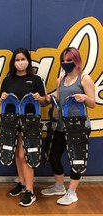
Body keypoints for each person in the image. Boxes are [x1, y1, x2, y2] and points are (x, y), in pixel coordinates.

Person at [41, 47, 95, 205]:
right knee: (53, 156)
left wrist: (84, 97)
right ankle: (59, 186)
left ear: (76, 61)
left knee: (76, 160)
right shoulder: (60, 80)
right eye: (63, 61)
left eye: (69, 60)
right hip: (61, 125)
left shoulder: (84, 78)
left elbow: (92, 103)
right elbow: (60, 100)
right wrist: (51, 99)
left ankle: (72, 192)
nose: (66, 63)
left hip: (78, 125)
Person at [0, 48, 48, 207]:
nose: (20, 62)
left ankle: (30, 191)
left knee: (26, 156)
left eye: (23, 59)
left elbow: (45, 101)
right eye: (17, 60)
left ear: (28, 60)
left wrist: (40, 98)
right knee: (17, 155)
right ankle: (22, 183)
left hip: (30, 122)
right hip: (11, 121)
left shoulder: (36, 79)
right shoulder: (8, 80)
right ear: (13, 62)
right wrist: (2, 98)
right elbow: (0, 102)